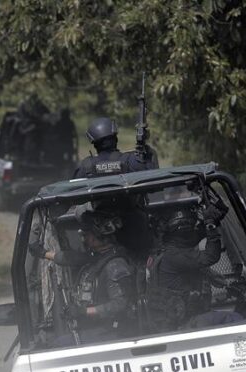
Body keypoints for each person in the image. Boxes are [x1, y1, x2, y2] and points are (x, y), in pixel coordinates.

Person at [28, 204, 136, 344]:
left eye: (86, 233)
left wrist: (84, 312)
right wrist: (43, 253)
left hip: (111, 332)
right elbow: (72, 258)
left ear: (97, 235)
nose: (83, 237)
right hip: (98, 329)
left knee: (58, 344)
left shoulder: (115, 265)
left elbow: (120, 304)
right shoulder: (98, 256)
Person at [146, 200, 228, 331]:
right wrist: (210, 224)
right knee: (235, 318)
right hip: (185, 323)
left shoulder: (168, 249)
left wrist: (213, 221)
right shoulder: (175, 256)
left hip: (178, 319)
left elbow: (192, 238)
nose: (194, 230)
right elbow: (211, 257)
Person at [72, 117, 158, 179]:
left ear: (94, 144)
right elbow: (153, 177)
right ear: (116, 139)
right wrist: (144, 149)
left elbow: (73, 193)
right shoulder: (131, 161)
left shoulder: (86, 166)